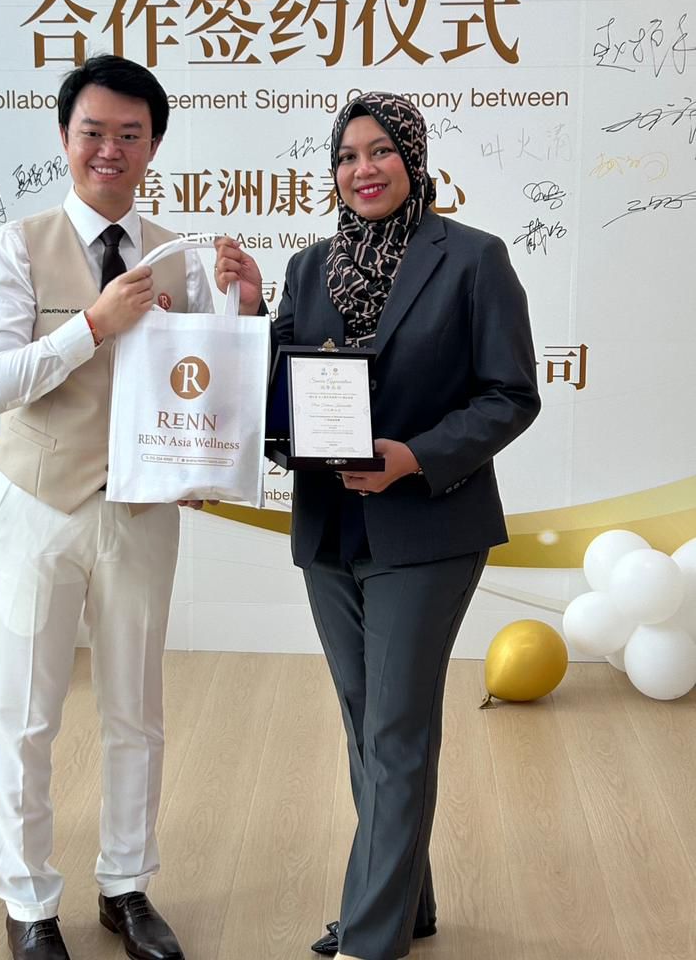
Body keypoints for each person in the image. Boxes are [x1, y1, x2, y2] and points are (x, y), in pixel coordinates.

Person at [215, 91, 541, 960]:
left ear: (413, 158)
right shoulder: (309, 267)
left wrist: (414, 457)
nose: (362, 169)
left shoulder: (472, 258)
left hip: (427, 528)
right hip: (330, 529)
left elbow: (510, 395)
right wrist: (249, 314)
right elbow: (279, 390)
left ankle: (368, 940)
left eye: (380, 151)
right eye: (346, 156)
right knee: (368, 726)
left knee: (395, 730)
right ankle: (403, 906)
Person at [0, 54, 221, 960]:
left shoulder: (177, 257)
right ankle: (28, 901)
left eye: (129, 134)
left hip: (141, 512)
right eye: (93, 132)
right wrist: (90, 327)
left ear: (153, 146)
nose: (109, 149)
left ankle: (127, 886)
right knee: (26, 712)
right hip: (37, 503)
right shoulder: (17, 244)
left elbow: (202, 382)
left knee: (135, 709)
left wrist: (240, 304)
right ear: (64, 138)